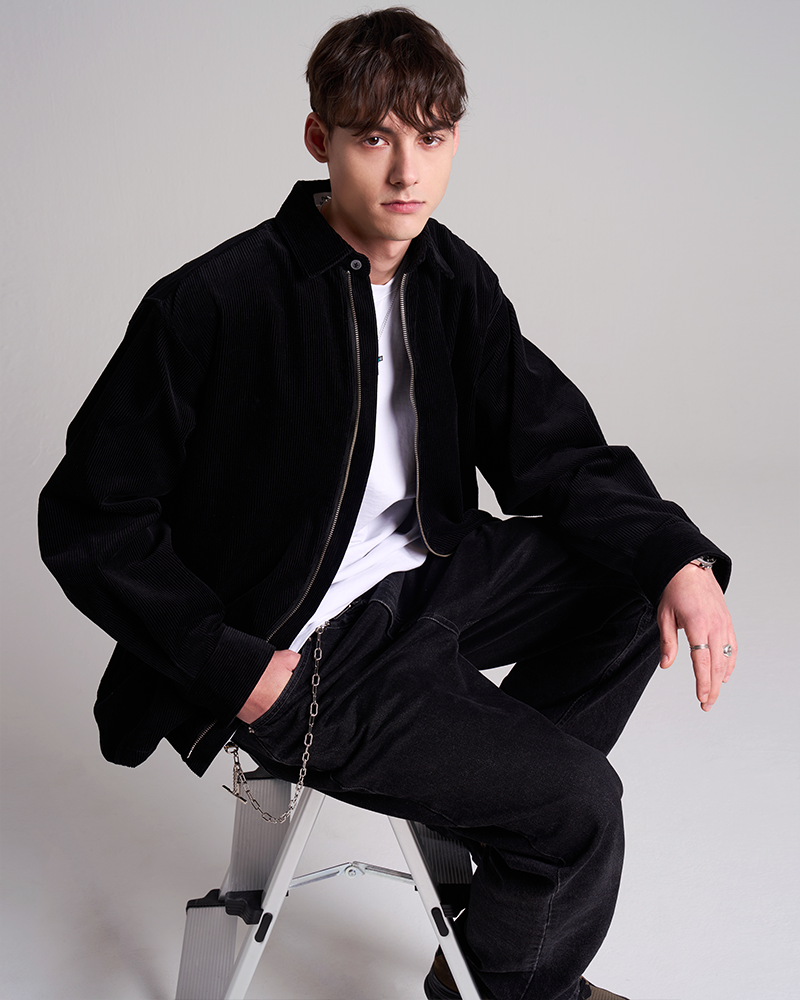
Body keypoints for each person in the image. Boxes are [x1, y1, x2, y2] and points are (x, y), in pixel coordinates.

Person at [38, 8, 737, 1000]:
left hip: (427, 578)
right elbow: (91, 518)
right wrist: (234, 667)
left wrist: (678, 560)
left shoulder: (451, 281)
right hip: (303, 647)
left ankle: (495, 847)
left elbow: (555, 450)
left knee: (640, 574)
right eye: (375, 139)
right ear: (319, 139)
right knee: (580, 807)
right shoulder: (217, 302)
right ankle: (519, 969)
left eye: (432, 139)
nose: (408, 172)